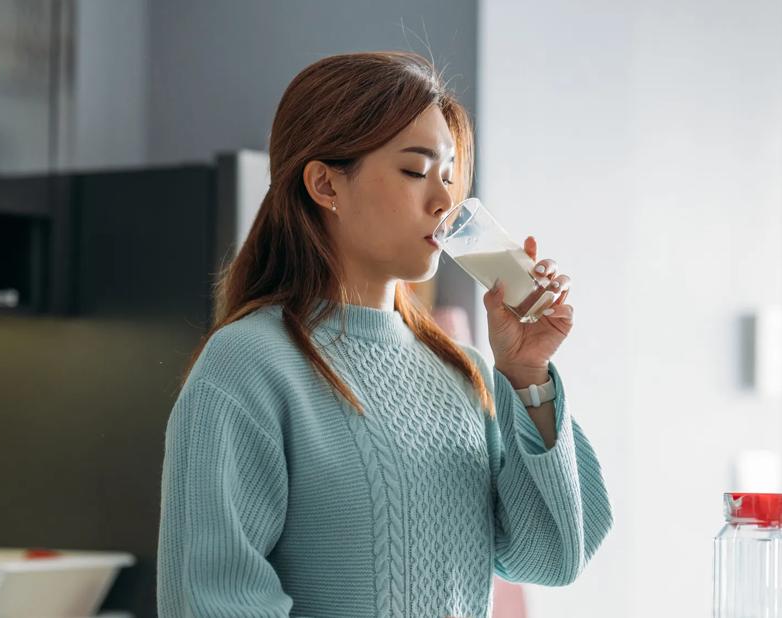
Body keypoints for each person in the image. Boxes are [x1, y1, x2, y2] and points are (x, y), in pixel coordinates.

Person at [157, 51, 612, 618]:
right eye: (416, 171)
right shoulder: (249, 364)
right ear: (326, 184)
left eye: (449, 176)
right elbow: (214, 601)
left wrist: (526, 376)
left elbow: (552, 557)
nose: (445, 201)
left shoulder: (463, 372)